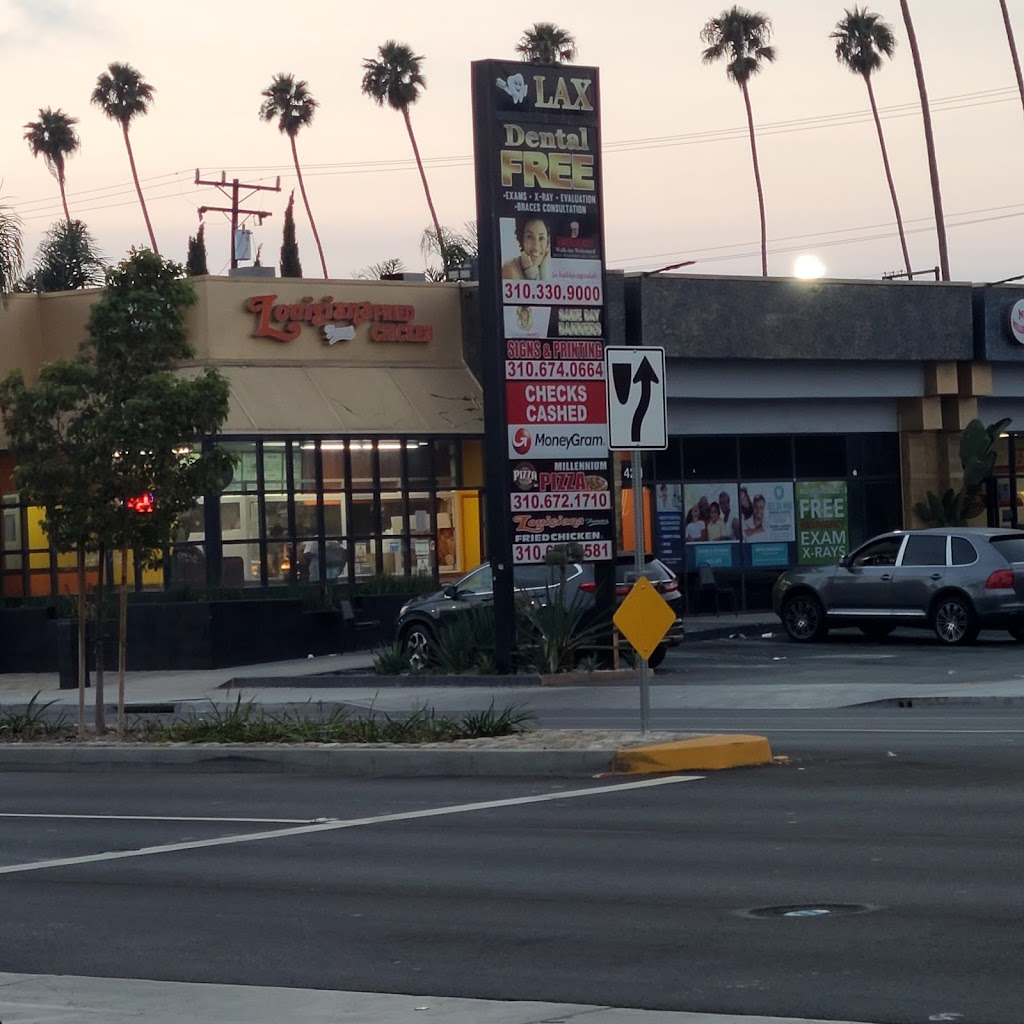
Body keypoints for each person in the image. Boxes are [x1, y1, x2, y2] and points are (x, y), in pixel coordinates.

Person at [501, 216, 551, 281]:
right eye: (530, 237)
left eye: (541, 238)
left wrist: (544, 269)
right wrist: (532, 274)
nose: (536, 246)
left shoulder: (551, 266)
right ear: (522, 239)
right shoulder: (510, 268)